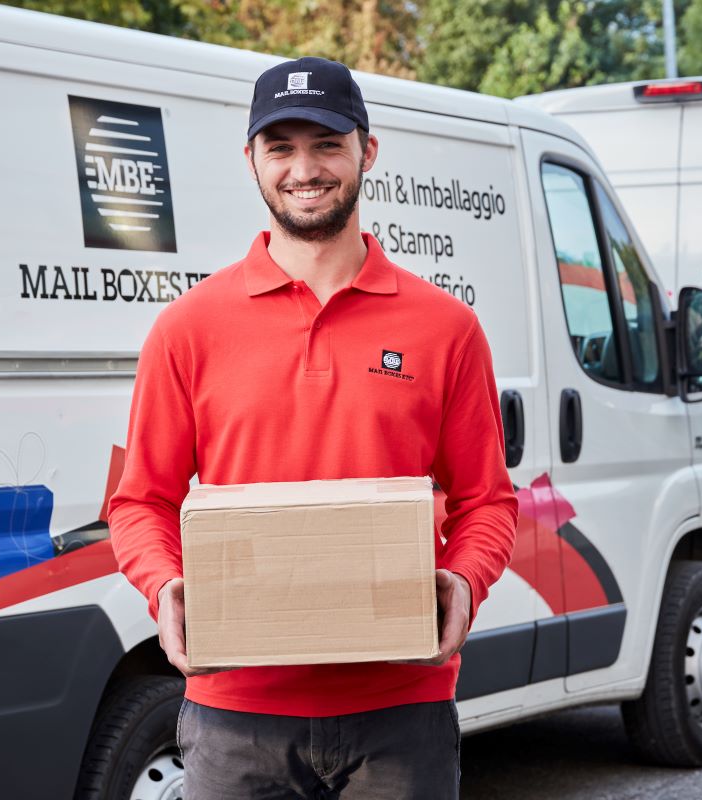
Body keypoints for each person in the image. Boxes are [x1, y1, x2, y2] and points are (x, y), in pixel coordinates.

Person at [108, 56, 517, 799]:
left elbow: (488, 500)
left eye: (327, 143)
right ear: (252, 161)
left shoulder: (445, 329)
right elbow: (139, 502)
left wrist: (465, 577)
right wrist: (163, 584)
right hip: (237, 718)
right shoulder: (188, 329)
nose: (305, 168)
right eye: (282, 147)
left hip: (402, 711)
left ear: (368, 150)